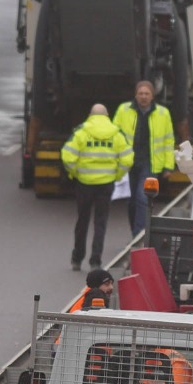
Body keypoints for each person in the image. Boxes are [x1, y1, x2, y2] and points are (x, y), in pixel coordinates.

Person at [61, 104, 133, 272]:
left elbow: (67, 156)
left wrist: (74, 173)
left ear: (90, 115)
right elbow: (128, 159)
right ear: (107, 116)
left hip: (84, 183)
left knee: (82, 221)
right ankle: (95, 261)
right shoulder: (116, 133)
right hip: (106, 184)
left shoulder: (81, 132)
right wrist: (117, 175)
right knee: (100, 222)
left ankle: (77, 258)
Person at [112, 79, 176, 239]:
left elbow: (169, 141)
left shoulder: (163, 113)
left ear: (152, 96)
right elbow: (114, 135)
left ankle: (138, 234)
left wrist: (168, 166)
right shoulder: (123, 110)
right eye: (140, 93)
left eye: (146, 94)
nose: (143, 97)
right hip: (128, 162)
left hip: (150, 162)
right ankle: (135, 229)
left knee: (142, 197)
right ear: (136, 95)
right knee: (132, 200)